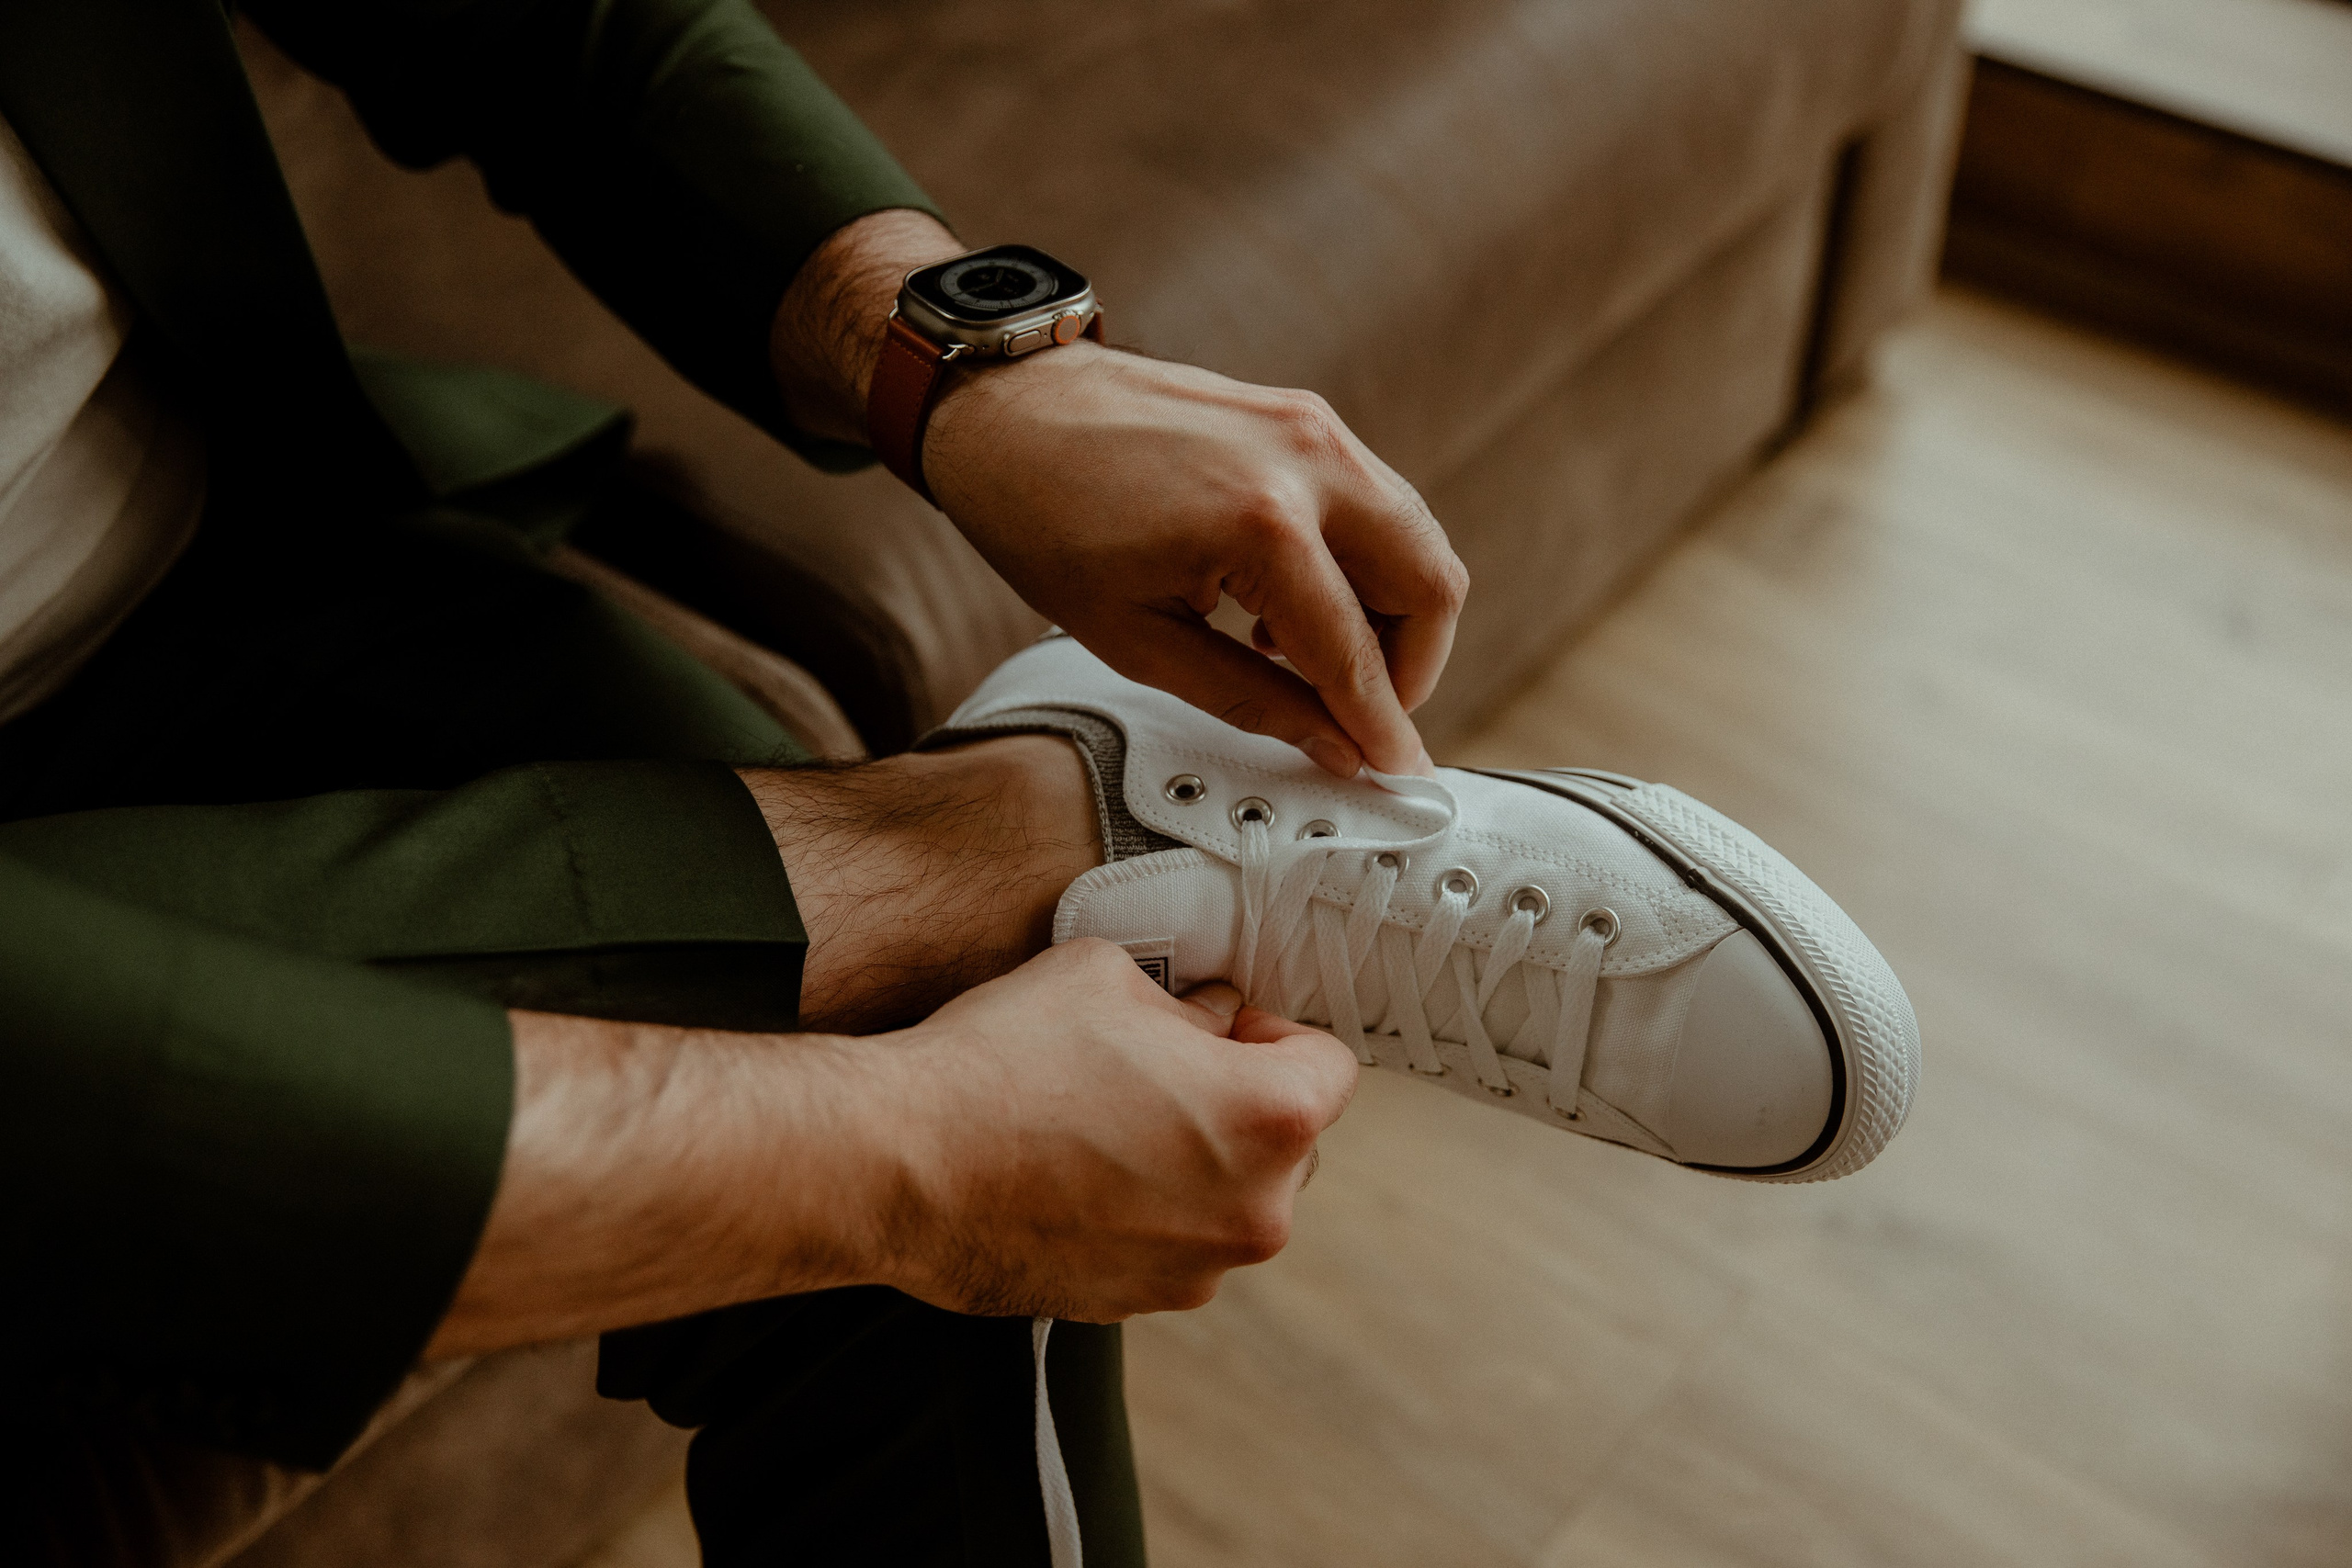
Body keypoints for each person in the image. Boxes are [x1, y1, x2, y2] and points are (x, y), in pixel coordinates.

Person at [0, 2, 1918, 1564]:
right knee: (941, 1042)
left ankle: (1059, 820)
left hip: (217, 559)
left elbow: (544, 25)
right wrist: (894, 1158)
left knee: (947, 1089)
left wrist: (964, 361)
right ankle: (1048, 818)